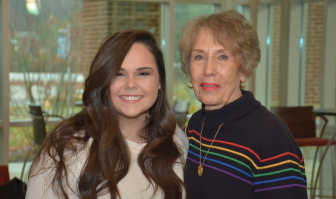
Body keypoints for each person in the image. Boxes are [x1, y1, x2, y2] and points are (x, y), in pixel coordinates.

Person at [26, 30, 189, 199]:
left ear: (160, 82)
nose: (131, 84)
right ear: (103, 80)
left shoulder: (175, 140)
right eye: (119, 74)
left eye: (143, 73)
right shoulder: (68, 146)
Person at [178, 11, 307, 198]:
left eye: (222, 57)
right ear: (188, 68)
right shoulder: (195, 126)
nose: (208, 70)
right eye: (199, 57)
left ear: (244, 69)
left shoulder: (271, 137)